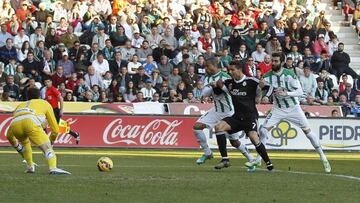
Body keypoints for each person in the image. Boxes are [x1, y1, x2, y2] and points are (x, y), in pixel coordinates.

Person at [257, 52, 331, 173]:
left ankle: (323, 157)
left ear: (281, 62)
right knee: (263, 130)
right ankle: (258, 159)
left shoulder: (289, 74)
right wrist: (263, 93)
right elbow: (266, 89)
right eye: (272, 61)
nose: (273, 63)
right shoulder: (266, 76)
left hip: (293, 108)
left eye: (276, 61)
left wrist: (287, 93)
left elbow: (300, 92)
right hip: (278, 109)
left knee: (308, 133)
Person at [212, 60, 274, 171]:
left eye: (233, 70)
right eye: (229, 70)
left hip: (250, 117)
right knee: (218, 127)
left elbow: (269, 87)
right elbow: (219, 85)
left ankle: (268, 163)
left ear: (240, 70)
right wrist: (217, 85)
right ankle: (225, 159)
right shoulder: (230, 82)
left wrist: (267, 97)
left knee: (254, 138)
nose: (230, 72)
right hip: (237, 117)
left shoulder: (251, 81)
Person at [192, 59, 254, 167]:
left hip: (229, 112)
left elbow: (231, 91)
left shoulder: (226, 76)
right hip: (216, 110)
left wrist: (219, 86)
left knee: (234, 142)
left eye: (208, 66)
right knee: (196, 127)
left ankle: (251, 158)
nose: (206, 68)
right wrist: (212, 86)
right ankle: (207, 152)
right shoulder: (207, 78)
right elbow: (204, 94)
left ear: (215, 65)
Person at [6, 88, 71, 175]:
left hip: (14, 124)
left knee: (25, 143)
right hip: (30, 120)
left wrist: (17, 147)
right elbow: (55, 129)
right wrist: (51, 142)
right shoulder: (44, 103)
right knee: (47, 148)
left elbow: (9, 135)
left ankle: (30, 167)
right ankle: (53, 167)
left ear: (27, 96)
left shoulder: (20, 105)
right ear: (40, 96)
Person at [43, 77, 80, 144]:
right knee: (45, 125)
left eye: (48, 82)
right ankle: (75, 134)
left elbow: (61, 98)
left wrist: (61, 109)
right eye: (45, 82)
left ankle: (49, 142)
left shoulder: (53, 89)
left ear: (51, 82)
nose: (47, 83)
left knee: (56, 127)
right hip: (49, 110)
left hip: (55, 110)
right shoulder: (47, 90)